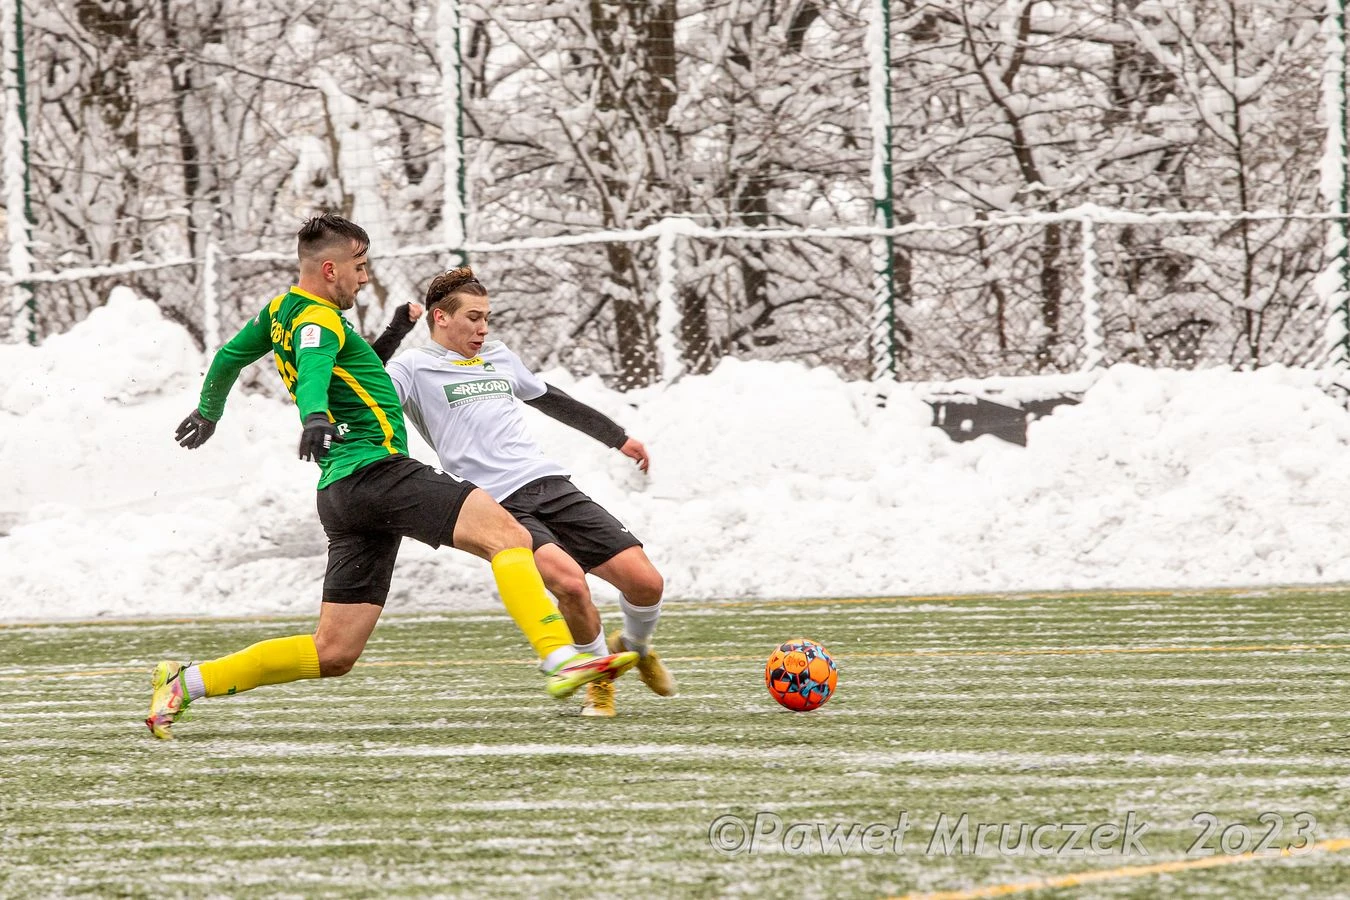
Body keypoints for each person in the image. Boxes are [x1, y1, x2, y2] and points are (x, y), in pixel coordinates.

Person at [147, 214, 636, 739]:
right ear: (330, 269)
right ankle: (560, 658)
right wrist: (314, 416)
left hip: (342, 493)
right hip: (378, 472)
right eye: (359, 267)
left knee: (333, 652)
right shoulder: (319, 320)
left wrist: (209, 412)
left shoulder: (278, 312)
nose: (365, 277)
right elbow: (313, 367)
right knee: (510, 536)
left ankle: (186, 682)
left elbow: (227, 357)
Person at [384, 266, 674, 718]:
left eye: (487, 318)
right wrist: (394, 332)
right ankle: (600, 683)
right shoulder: (412, 367)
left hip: (548, 483)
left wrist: (617, 437)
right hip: (494, 504)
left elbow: (550, 398)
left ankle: (633, 648)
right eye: (473, 317)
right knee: (569, 583)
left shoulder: (499, 356)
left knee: (647, 583)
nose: (483, 328)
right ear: (440, 317)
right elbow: (364, 385)